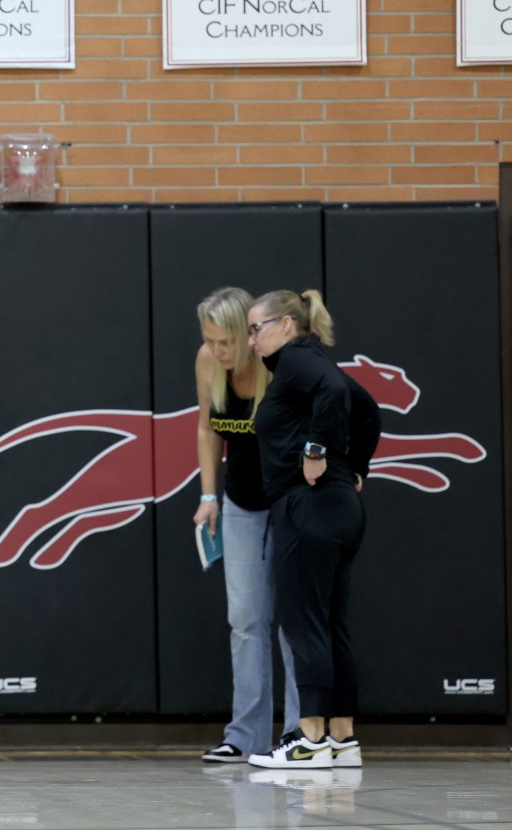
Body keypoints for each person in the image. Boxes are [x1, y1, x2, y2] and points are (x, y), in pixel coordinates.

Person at [244, 289, 380, 770]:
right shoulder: (309, 364)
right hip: (339, 507)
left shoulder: (298, 359)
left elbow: (340, 396)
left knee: (305, 624)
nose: (251, 339)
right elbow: (367, 410)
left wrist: (317, 451)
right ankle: (341, 739)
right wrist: (357, 464)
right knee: (330, 622)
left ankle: (311, 740)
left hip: (310, 507)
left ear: (285, 325)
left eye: (255, 328)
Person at [192, 287, 299, 764]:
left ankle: (301, 734)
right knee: (245, 621)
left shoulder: (282, 366)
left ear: (250, 336)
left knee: (294, 622)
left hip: (291, 500)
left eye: (225, 342)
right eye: (209, 340)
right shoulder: (208, 362)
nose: (217, 351)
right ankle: (246, 736)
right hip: (240, 502)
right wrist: (208, 495)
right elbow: (206, 427)